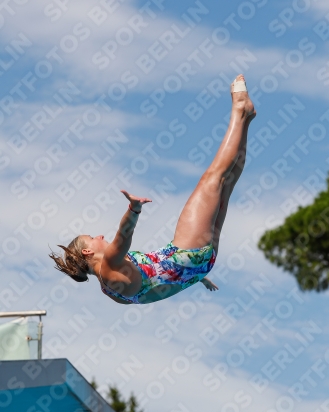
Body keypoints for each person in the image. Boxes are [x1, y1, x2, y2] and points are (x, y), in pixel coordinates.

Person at [50, 75, 256, 305]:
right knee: (213, 179)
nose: (99, 236)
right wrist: (133, 209)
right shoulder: (108, 263)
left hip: (200, 264)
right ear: (88, 253)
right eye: (92, 238)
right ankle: (240, 109)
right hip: (187, 251)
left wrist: (195, 276)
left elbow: (158, 287)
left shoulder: (110, 292)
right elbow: (123, 236)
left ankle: (245, 120)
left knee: (225, 187)